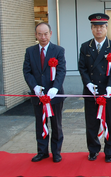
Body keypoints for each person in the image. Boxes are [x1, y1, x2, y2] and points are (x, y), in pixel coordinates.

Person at [78, 13, 111, 163]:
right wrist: (88, 83)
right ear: (91, 29)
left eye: (101, 27)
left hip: (108, 92)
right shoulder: (85, 47)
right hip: (91, 92)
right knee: (91, 122)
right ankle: (93, 149)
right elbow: (82, 68)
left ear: (106, 28)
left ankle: (110, 150)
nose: (99, 30)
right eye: (95, 27)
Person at [23, 22, 66, 163]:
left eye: (46, 33)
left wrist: (55, 87)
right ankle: (42, 152)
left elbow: (61, 71)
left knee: (56, 125)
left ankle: (56, 152)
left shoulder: (58, 50)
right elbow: (27, 71)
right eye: (40, 34)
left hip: (54, 96)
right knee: (40, 124)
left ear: (50, 34)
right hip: (38, 96)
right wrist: (34, 86)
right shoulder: (30, 51)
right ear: (36, 35)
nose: (43, 37)